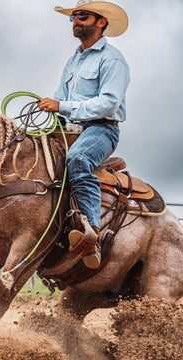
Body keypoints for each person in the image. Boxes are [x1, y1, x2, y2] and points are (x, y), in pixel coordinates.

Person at [38, 0, 130, 269]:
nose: (76, 20)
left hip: (101, 129)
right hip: (71, 128)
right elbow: (61, 97)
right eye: (74, 17)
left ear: (101, 22)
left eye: (82, 16)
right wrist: (52, 109)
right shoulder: (74, 60)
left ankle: (91, 235)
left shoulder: (112, 59)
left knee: (78, 160)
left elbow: (109, 103)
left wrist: (62, 106)